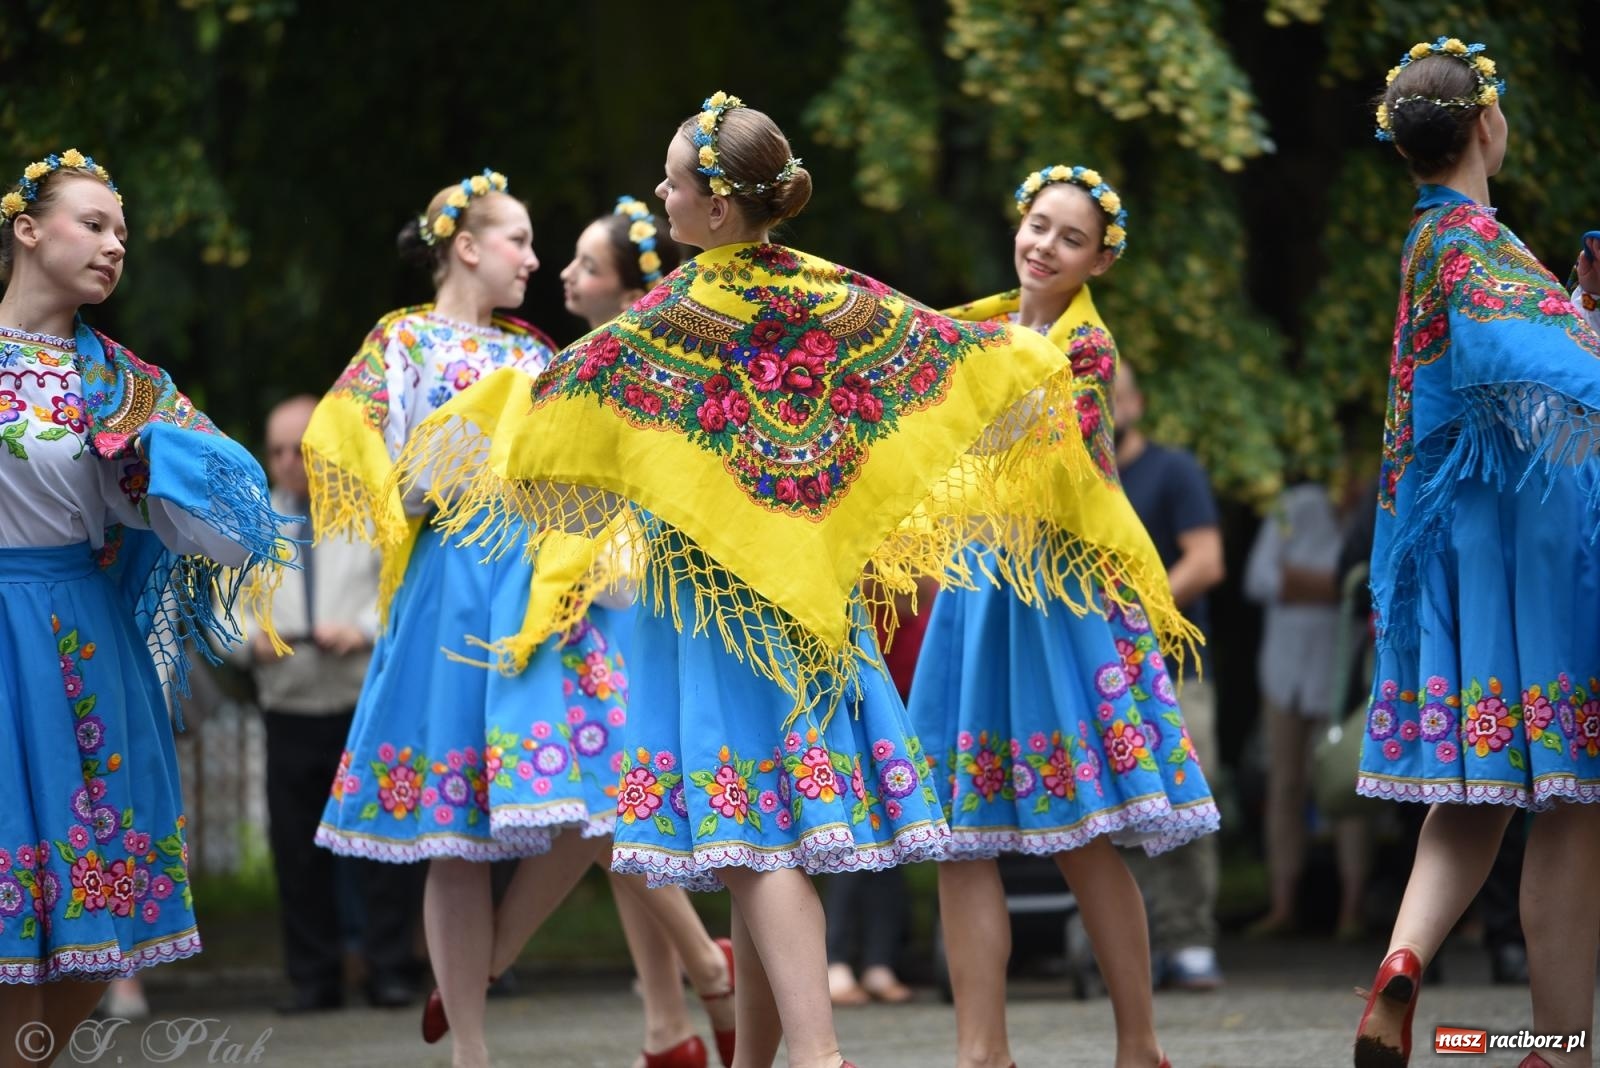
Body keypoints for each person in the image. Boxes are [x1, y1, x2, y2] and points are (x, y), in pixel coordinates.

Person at [399, 92, 1155, 1068]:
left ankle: (818, 1053)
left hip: (716, 618)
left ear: (716, 209)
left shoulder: (670, 316)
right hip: (806, 607)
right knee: (764, 837)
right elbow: (943, 358)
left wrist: (459, 434)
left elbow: (554, 392)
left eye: (674, 181)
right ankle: (778, 1056)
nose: (661, 195)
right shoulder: (828, 291)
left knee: (751, 842)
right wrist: (1027, 371)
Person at [914, 165, 1215, 1068]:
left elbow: (1052, 471)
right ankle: (982, 1053)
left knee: (1082, 832)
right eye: (1038, 226)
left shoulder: (1083, 353)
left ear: (1098, 262)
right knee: (960, 839)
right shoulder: (975, 330)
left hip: (1053, 599)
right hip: (976, 591)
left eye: (1070, 238)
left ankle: (1138, 1044)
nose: (1044, 244)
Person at [0, 151, 291, 1064]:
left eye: (121, 232)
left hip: (77, 643)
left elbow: (237, 531)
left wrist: (159, 462)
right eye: (93, 223)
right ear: (27, 228)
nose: (113, 245)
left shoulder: (125, 386)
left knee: (100, 912)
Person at [1353, 38, 1600, 1068]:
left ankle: (1402, 965)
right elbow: (1525, 358)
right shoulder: (1468, 243)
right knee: (1573, 804)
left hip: (1461, 550)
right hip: (1520, 556)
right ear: (1486, 127)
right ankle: (1557, 1043)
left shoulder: (1439, 244)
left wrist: (1573, 309)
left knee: (1477, 791)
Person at [242, 395, 424, 1013]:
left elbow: (399, 590)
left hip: (359, 703)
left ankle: (389, 969)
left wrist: (363, 630)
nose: (288, 462)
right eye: (276, 451)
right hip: (288, 708)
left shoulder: (369, 510)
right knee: (296, 851)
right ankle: (314, 978)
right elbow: (218, 606)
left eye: (301, 449)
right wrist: (249, 639)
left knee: (378, 843)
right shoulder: (251, 520)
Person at [1112, 361, 1227, 990]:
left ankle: (1189, 944)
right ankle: (1132, 950)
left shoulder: (1172, 470)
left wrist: (1135, 619)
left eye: (1112, 396)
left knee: (1183, 804)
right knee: (1112, 815)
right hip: (1102, 676)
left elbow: (1206, 562)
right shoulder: (1077, 481)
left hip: (1175, 670)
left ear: (1136, 403)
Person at [1244, 479, 1370, 940]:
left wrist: (1303, 582)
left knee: (1346, 789)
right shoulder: (1294, 505)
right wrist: (1335, 589)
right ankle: (1283, 906)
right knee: (1286, 787)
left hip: (1339, 674)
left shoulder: (1373, 508)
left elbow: (1365, 586)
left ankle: (1351, 911)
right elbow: (1260, 579)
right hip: (1285, 674)